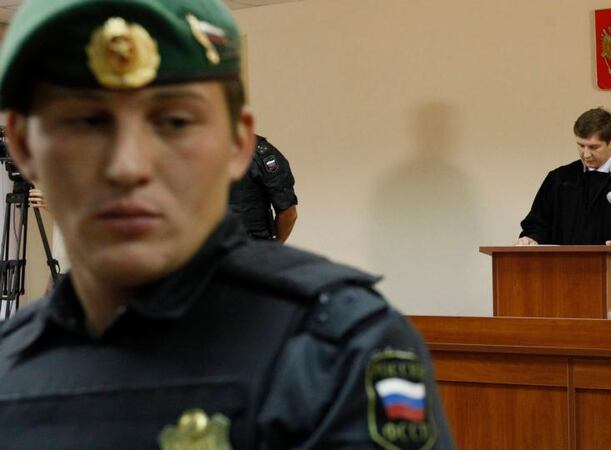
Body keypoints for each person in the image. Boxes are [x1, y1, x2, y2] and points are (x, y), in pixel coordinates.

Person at [0, 1, 454, 448]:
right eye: (86, 121)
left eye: (174, 121)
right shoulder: (9, 361)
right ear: (22, 144)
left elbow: (286, 210)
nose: (128, 166)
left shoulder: (333, 353)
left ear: (239, 142)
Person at [516, 107, 611, 319]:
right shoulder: (559, 180)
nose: (585, 154)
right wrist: (531, 239)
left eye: (593, 147)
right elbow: (537, 224)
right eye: (580, 145)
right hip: (562, 289)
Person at [229, 135, 298, 242]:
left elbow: (288, 214)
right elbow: (289, 214)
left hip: (250, 247)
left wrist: (271, 250)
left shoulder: (262, 154)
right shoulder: (201, 152)